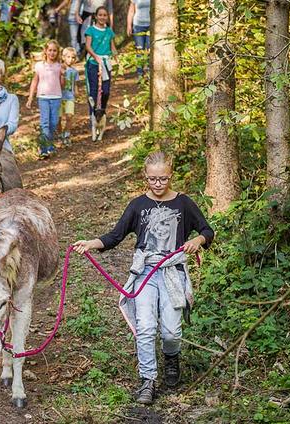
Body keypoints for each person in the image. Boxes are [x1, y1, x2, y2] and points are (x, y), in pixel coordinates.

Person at [72, 151, 215, 405]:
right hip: (146, 273)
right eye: (152, 179)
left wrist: (197, 239)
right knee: (146, 327)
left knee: (171, 332)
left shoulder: (183, 204)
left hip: (173, 271)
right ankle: (147, 380)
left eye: (162, 179)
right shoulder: (138, 205)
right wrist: (91, 244)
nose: (157, 184)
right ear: (145, 177)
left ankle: (171, 358)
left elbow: (207, 230)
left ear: (170, 176)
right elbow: (115, 236)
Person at [27, 40, 65, 159]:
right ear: (45, 51)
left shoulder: (60, 66)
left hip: (56, 97)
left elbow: (63, 85)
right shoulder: (39, 66)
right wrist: (30, 97)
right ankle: (44, 149)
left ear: (57, 52)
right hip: (43, 97)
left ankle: (49, 144)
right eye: (50, 50)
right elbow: (35, 81)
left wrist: (63, 75)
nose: (52, 53)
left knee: (53, 123)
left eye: (54, 50)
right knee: (45, 123)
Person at [84, 6, 116, 142]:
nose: (102, 17)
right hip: (93, 62)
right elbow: (88, 46)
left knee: (106, 91)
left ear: (107, 17)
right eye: (100, 15)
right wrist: (96, 56)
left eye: (105, 15)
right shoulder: (90, 30)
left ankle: (101, 115)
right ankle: (93, 120)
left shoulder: (109, 31)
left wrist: (117, 58)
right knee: (93, 92)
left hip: (106, 62)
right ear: (96, 16)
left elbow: (112, 47)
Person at [59, 47, 80, 146]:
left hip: (70, 97)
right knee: (58, 118)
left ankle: (66, 134)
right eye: (68, 57)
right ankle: (59, 134)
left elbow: (75, 83)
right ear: (63, 57)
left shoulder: (74, 71)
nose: (70, 59)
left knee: (69, 116)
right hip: (59, 97)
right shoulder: (59, 68)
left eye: (73, 57)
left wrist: (76, 91)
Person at [127, 0, 151, 77]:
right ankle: (140, 74)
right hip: (138, 26)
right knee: (139, 50)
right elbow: (131, 11)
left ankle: (148, 74)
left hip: (151, 26)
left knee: (149, 49)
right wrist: (129, 26)